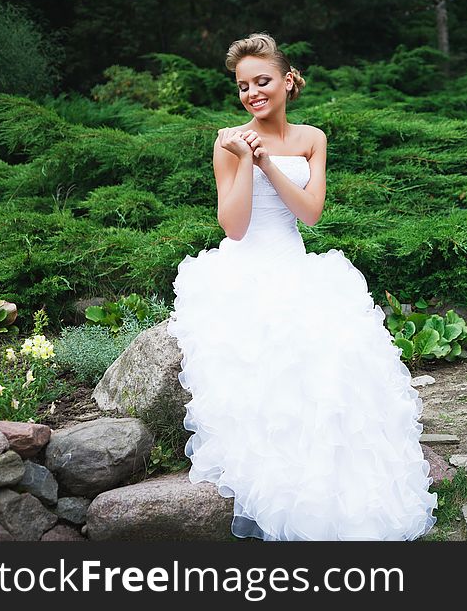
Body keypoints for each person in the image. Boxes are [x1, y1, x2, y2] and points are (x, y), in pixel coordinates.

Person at [166, 32, 438, 541]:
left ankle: (337, 484)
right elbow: (235, 227)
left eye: (262, 81)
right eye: (243, 85)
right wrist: (246, 158)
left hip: (297, 262)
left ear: (288, 81)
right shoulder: (229, 140)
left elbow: (310, 214)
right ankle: (277, 478)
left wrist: (268, 161)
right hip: (244, 269)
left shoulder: (312, 138)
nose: (252, 93)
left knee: (334, 362)